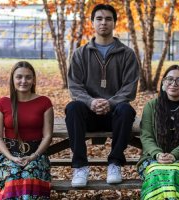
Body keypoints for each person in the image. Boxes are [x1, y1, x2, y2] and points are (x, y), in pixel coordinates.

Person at [65, 4, 139, 187]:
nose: (103, 22)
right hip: (88, 114)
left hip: (114, 115)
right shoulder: (81, 54)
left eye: (108, 19)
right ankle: (80, 166)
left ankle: (115, 163)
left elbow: (129, 88)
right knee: (73, 107)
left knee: (126, 110)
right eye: (99, 19)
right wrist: (90, 102)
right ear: (92, 23)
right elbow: (75, 86)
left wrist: (111, 103)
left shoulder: (127, 54)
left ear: (114, 23)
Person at [137, 65, 179, 199]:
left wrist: (174, 155)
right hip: (153, 158)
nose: (174, 83)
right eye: (170, 79)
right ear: (163, 82)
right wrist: (157, 154)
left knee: (174, 171)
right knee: (158, 171)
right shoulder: (151, 106)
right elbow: (146, 136)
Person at [0, 61, 54, 199]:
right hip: (9, 156)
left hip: (36, 156)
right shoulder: (2, 103)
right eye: (19, 77)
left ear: (34, 80)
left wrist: (33, 156)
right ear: (12, 79)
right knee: (12, 176)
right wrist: (11, 157)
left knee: (30, 176)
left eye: (28, 77)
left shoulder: (44, 102)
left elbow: (48, 136)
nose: (23, 81)